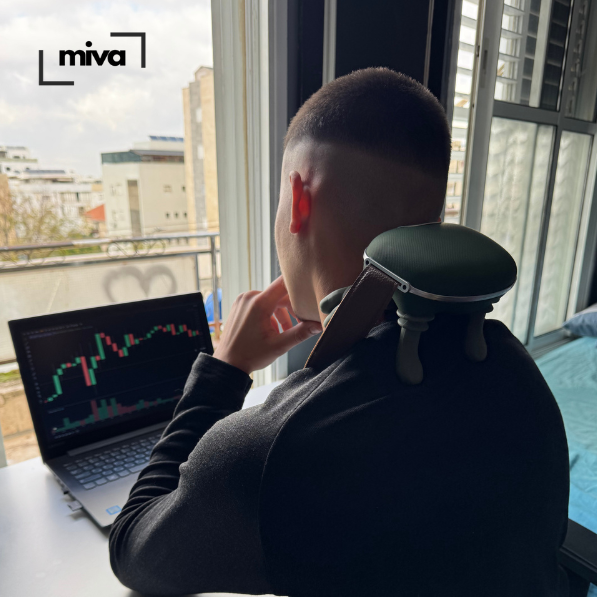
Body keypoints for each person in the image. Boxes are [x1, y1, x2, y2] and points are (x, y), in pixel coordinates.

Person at [109, 68, 570, 596]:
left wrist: (224, 371)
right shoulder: (513, 367)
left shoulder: (274, 451)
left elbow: (132, 550)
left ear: (298, 198)